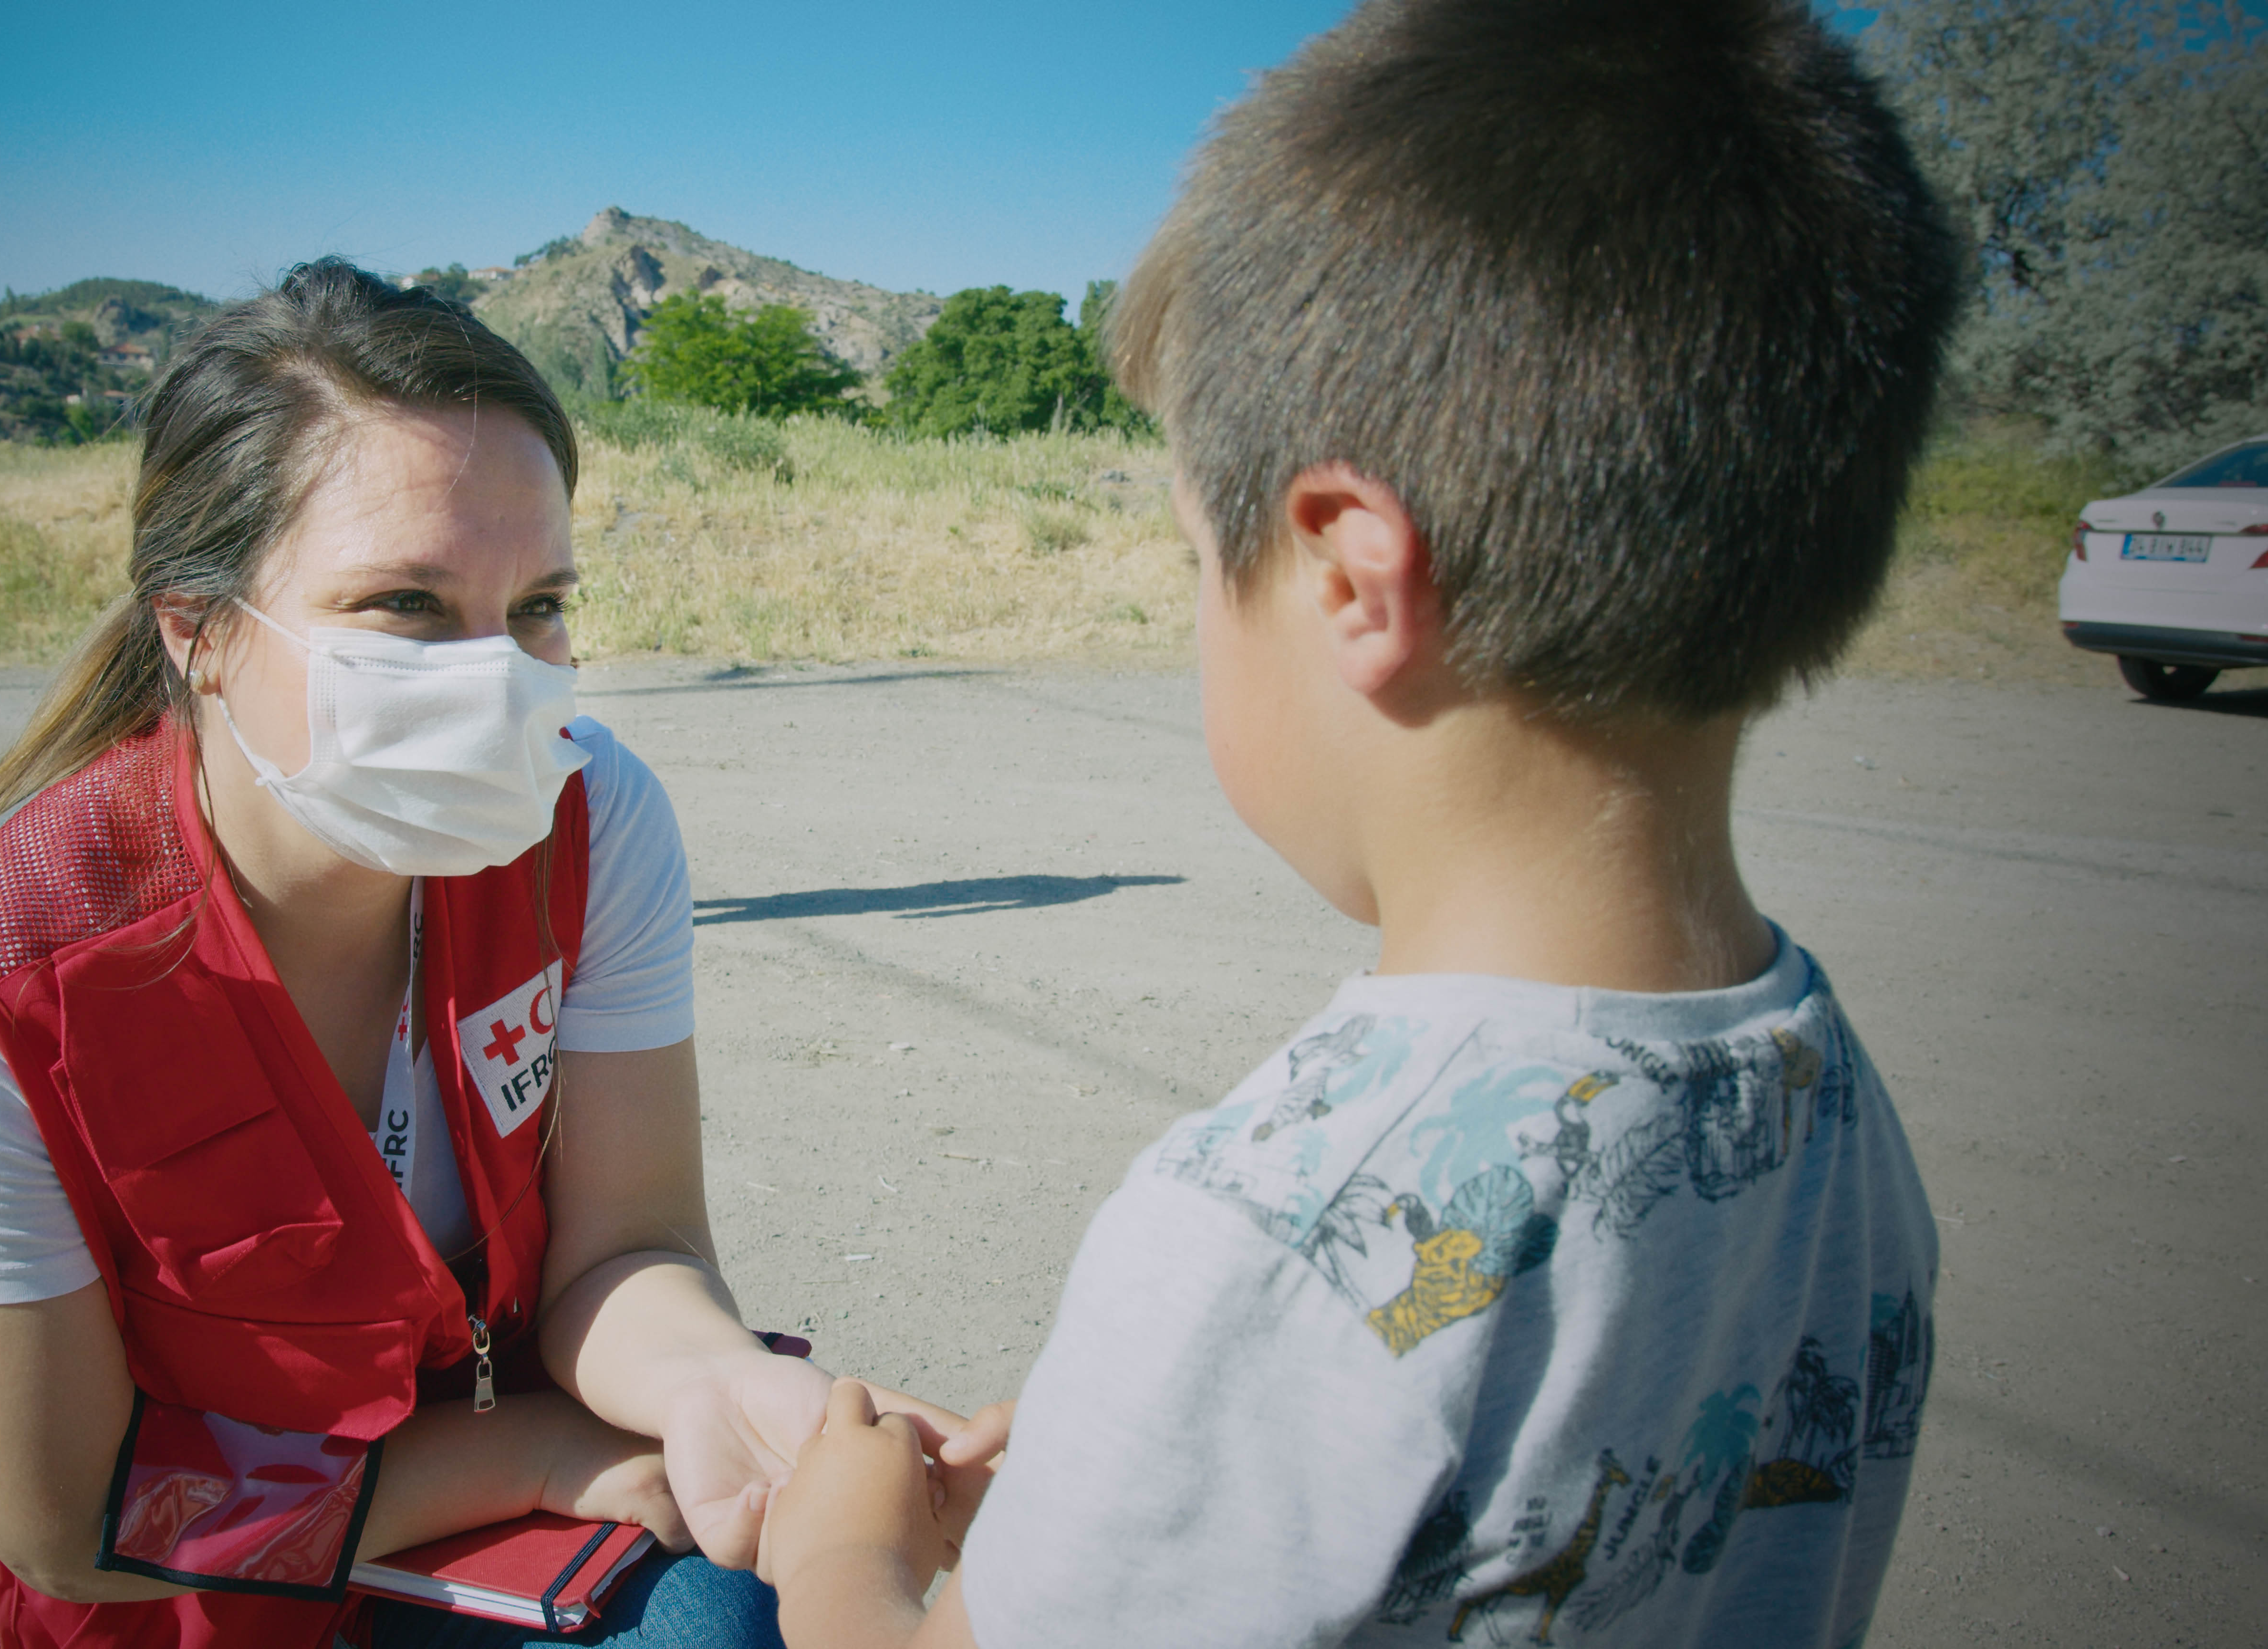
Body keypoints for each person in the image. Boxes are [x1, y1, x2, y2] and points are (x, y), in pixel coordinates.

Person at [754, 1, 1963, 1644]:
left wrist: (846, 1563)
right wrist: (1155, 1460)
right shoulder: (1827, 1096)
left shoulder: (1292, 1232)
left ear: (1344, 573)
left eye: (1202, 556)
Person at [0, 261, 952, 1649]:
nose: (498, 678)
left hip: (477, 1516)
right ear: (196, 629)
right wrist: (525, 1456)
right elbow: (70, 1521)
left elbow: (625, 1247)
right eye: (406, 604)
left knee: (713, 1622)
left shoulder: (593, 819)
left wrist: (716, 1383)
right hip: (167, 1595)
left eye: (537, 609)